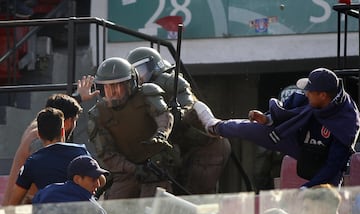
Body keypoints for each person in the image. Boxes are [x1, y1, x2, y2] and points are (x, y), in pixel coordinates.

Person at [193, 68, 360, 188]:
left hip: (325, 160)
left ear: (323, 95)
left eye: (310, 91)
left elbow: (333, 165)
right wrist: (267, 119)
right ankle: (215, 126)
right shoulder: (309, 98)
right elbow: (286, 112)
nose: (306, 93)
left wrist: (308, 188)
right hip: (298, 141)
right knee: (251, 128)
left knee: (326, 199)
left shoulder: (347, 120)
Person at [126, 46, 231, 194]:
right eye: (135, 73)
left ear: (154, 66)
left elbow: (190, 105)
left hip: (208, 145)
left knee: (196, 197)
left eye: (141, 70)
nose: (140, 77)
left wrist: (178, 111)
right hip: (187, 147)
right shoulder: (141, 95)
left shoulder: (171, 82)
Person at [88, 57, 178, 199]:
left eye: (117, 87)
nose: (113, 93)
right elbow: (106, 153)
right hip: (125, 171)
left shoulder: (147, 94)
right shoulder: (98, 114)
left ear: (131, 83)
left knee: (154, 205)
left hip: (156, 164)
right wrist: (133, 169)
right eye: (107, 88)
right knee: (115, 209)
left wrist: (161, 134)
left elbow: (163, 115)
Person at [2, 76, 99, 205]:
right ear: (67, 123)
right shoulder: (40, 146)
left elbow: (57, 111)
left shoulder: (38, 128)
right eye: (74, 120)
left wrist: (78, 97)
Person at [6, 107, 91, 205]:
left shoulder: (32, 162)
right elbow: (100, 179)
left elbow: (14, 202)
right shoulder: (80, 151)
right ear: (62, 131)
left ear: (38, 134)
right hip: (80, 213)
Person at [31, 155, 125, 214]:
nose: (98, 184)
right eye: (93, 179)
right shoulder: (89, 206)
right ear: (77, 179)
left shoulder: (46, 192)